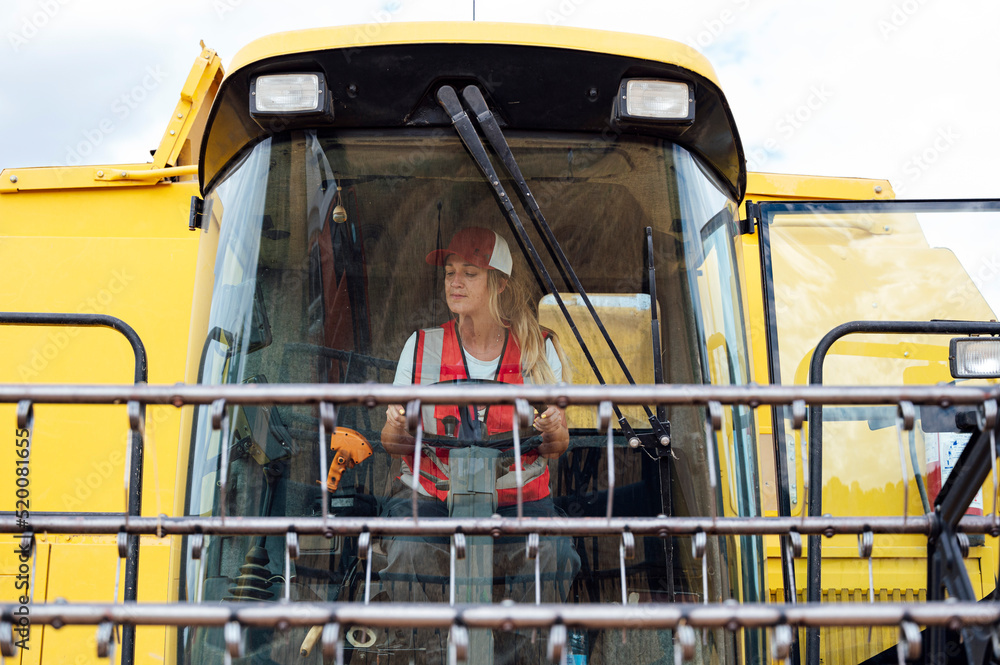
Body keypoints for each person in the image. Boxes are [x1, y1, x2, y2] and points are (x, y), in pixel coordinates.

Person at [378, 226, 580, 664]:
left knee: (556, 554)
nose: (454, 282)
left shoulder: (538, 350)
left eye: (469, 273)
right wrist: (395, 424)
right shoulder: (422, 347)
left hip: (518, 502)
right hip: (432, 497)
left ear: (500, 284)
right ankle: (429, 657)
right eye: (451, 272)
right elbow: (393, 444)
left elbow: (558, 445)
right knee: (408, 549)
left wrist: (551, 427)